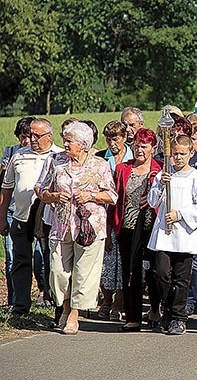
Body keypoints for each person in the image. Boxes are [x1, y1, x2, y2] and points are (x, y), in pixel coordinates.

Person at [39, 122, 117, 334]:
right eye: (65, 140)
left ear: (83, 144)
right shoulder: (56, 162)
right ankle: (64, 307)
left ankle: (73, 314)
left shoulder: (99, 165)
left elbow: (112, 195)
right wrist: (53, 196)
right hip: (62, 224)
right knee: (58, 272)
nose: (65, 144)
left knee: (83, 274)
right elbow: (42, 190)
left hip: (90, 226)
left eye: (69, 141)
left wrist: (91, 196)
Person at [147, 135, 197, 335]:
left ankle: (178, 317)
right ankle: (167, 308)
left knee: (182, 278)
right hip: (164, 235)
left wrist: (180, 214)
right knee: (161, 273)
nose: (178, 158)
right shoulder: (164, 175)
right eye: (175, 154)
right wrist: (158, 186)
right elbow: (152, 202)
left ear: (191, 153)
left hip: (184, 234)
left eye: (183, 154)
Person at [0, 118, 62, 315]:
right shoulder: (19, 155)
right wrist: (2, 218)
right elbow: (6, 187)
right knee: (20, 260)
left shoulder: (59, 156)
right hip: (21, 216)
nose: (33, 139)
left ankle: (56, 302)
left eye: (38, 135)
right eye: (30, 135)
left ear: (49, 136)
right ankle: (20, 305)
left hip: (49, 219)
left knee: (51, 261)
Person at [110, 129, 163, 331]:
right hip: (127, 228)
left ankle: (156, 309)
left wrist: (151, 200)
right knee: (130, 272)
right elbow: (115, 201)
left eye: (145, 146)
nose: (140, 150)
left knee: (154, 272)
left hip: (152, 228)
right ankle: (132, 317)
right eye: (137, 145)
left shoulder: (159, 170)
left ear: (153, 148)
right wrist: (111, 228)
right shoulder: (123, 169)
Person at [95, 121, 133, 321]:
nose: (112, 143)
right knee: (106, 260)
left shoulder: (133, 158)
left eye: (116, 138)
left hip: (126, 215)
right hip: (104, 215)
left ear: (125, 138)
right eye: (108, 139)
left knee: (124, 261)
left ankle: (119, 303)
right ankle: (106, 300)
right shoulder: (100, 158)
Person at [0, 116, 34, 307]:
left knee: (38, 257)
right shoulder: (11, 152)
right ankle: (15, 300)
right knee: (12, 257)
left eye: (30, 136)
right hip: (13, 211)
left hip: (35, 213)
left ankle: (46, 294)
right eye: (23, 137)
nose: (27, 141)